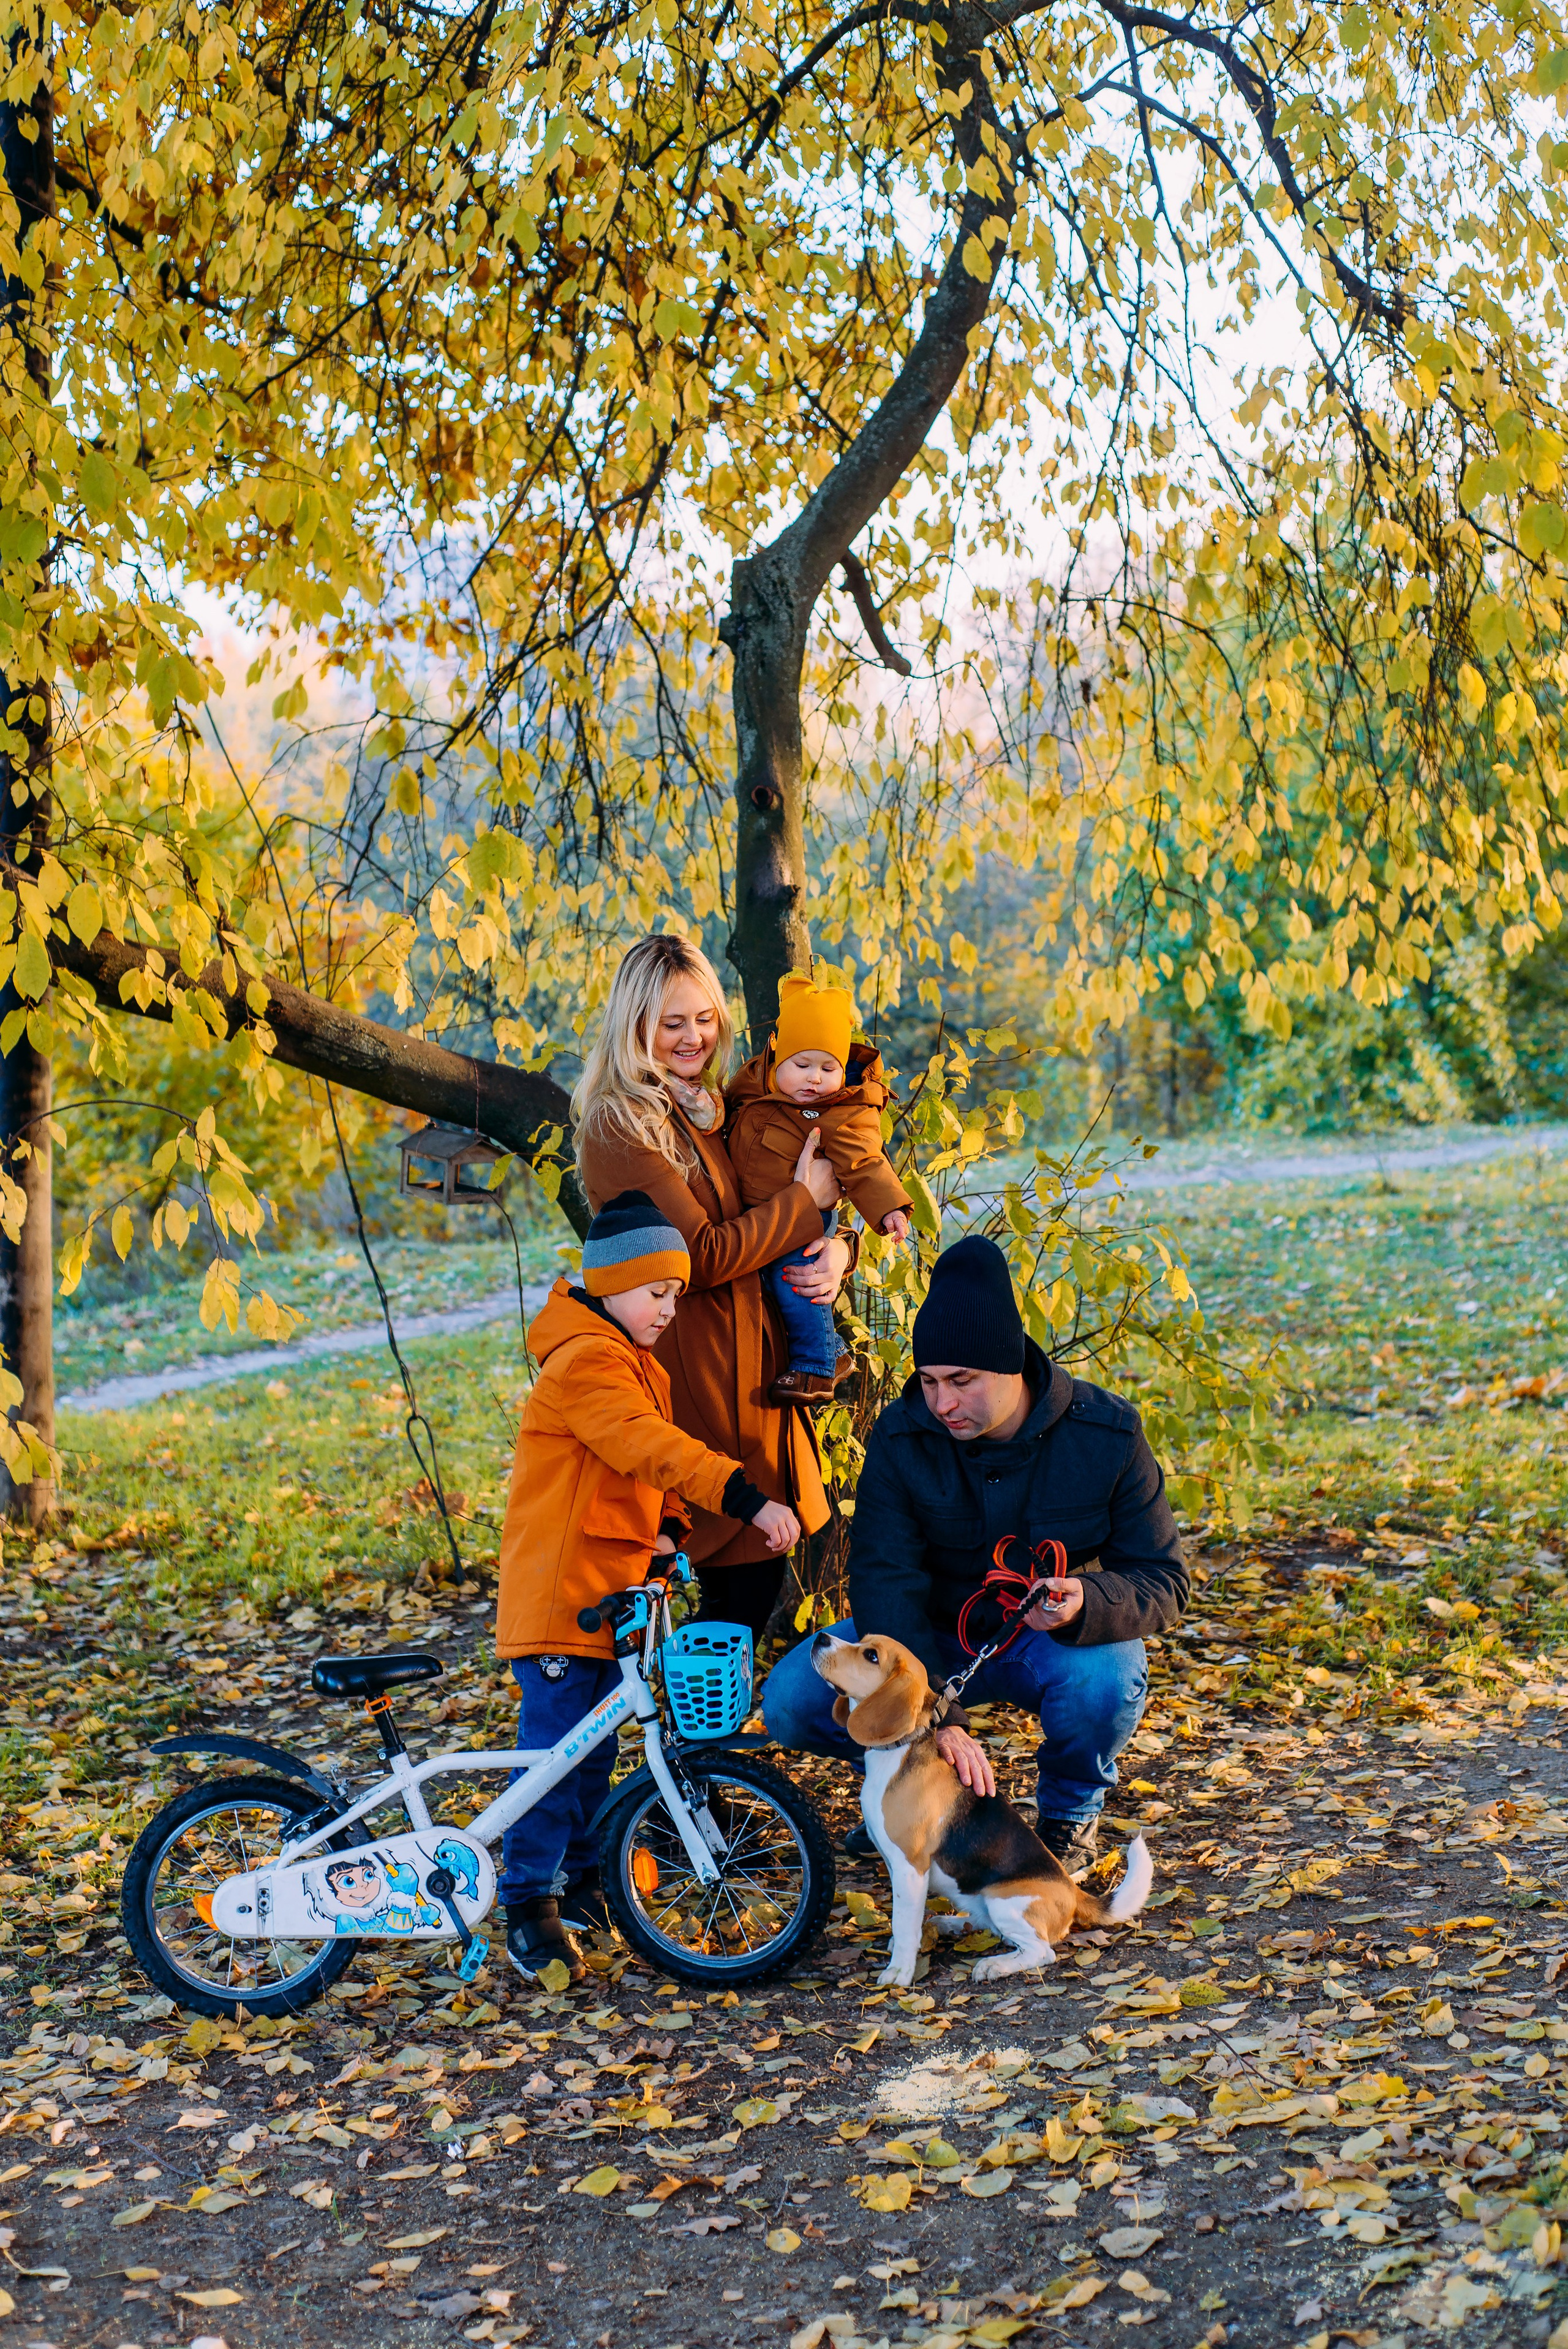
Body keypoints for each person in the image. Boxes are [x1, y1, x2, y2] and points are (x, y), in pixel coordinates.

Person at [761, 1232, 1188, 1872]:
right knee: (792, 1698)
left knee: (1108, 1675)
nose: (943, 1403)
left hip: (1047, 1642)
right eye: (930, 1382)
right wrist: (937, 1716)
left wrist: (1087, 1601)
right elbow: (885, 1580)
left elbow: (1163, 1579)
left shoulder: (1108, 1432)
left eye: (962, 1380)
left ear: (1012, 1362)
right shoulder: (904, 1437)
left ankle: (1068, 1816)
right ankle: (907, 1794)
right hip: (923, 1637)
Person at [494, 1190, 801, 1980]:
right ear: (615, 1283)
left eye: (675, 1292)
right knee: (555, 1757)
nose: (671, 1307)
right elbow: (646, 1443)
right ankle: (528, 1899)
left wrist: (669, 1532)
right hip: (565, 1596)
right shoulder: (588, 1359)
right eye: (659, 1292)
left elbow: (641, 1473)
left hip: (613, 1595)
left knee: (591, 1754)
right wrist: (742, 1494)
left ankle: (589, 1883)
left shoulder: (631, 1359)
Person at [574, 933, 856, 1642]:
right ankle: (691, 1744)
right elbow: (697, 1255)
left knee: (751, 1579)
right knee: (727, 1575)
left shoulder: (711, 1107)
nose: (693, 1036)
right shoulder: (622, 1123)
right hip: (694, 1374)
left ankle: (698, 1744)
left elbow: (787, 1198)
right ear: (634, 1025)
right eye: (671, 1023)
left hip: (753, 1366)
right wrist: (804, 1199)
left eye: (703, 1018)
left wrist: (838, 1248)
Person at [725, 971, 914, 1403]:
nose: (814, 1079)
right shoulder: (755, 1084)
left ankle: (815, 1368)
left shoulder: (838, 1113)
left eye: (828, 1068)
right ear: (777, 1060)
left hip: (802, 1221)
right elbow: (729, 1104)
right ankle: (832, 1349)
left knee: (795, 1280)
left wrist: (890, 1210)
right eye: (802, 1065)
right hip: (762, 1217)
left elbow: (866, 1163)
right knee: (775, 1286)